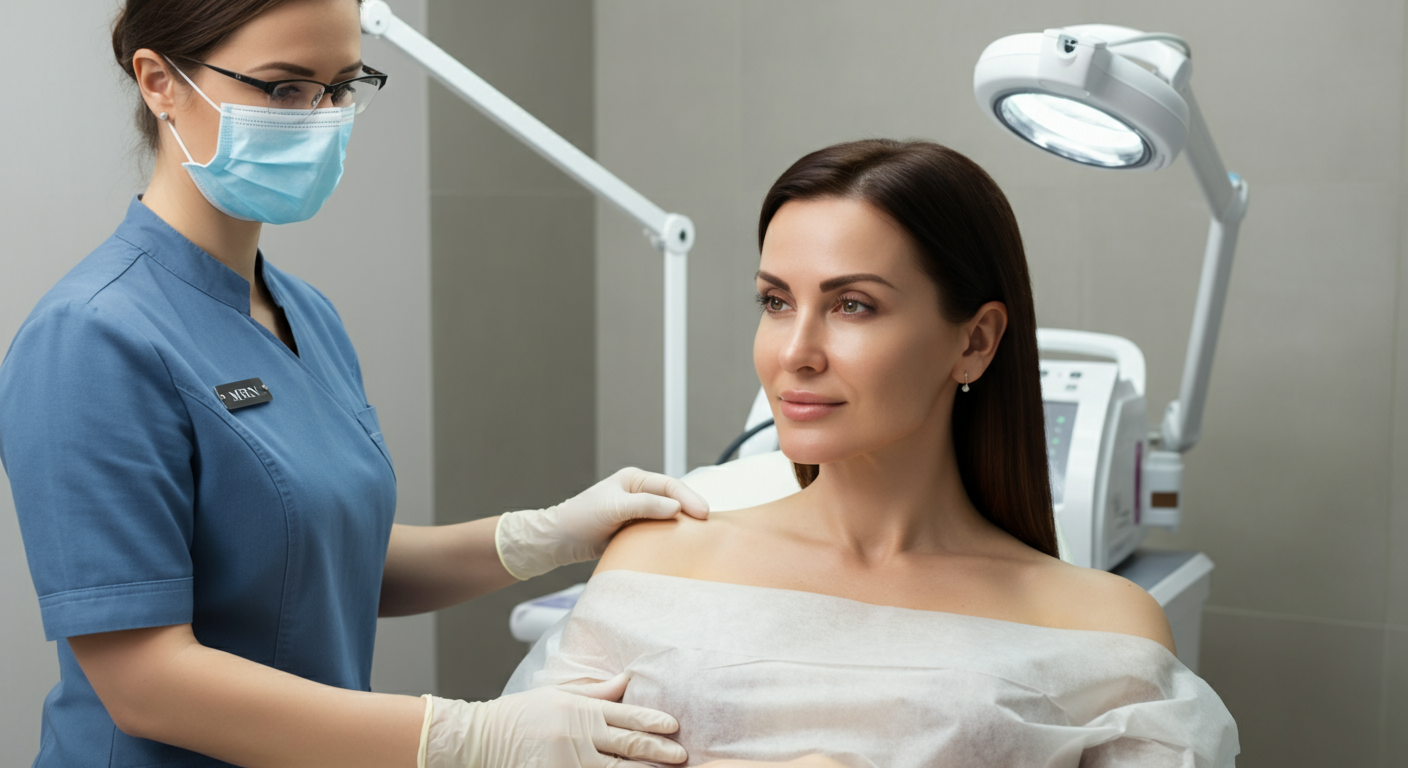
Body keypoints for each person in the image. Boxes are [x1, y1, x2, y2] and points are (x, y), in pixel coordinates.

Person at [0, 1, 714, 766]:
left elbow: (328, 561)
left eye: (341, 87)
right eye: (284, 88)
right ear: (159, 82)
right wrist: (467, 736)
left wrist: (544, 535)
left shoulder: (305, 314)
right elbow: (145, 684)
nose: (320, 119)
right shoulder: (91, 338)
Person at [511, 140, 1240, 767]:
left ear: (975, 341)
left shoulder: (1104, 629)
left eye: (852, 305)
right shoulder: (658, 562)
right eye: (776, 302)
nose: (796, 353)